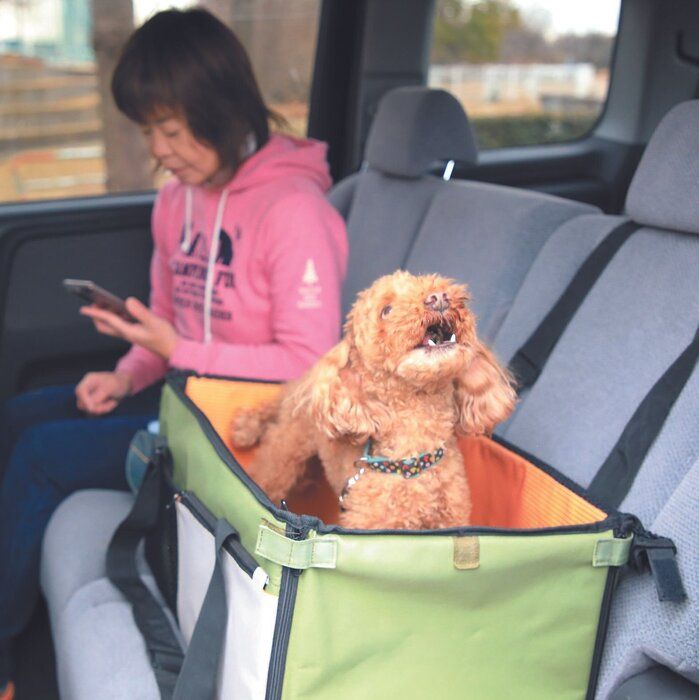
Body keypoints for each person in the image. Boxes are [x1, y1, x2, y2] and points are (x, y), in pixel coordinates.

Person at [0, 8, 347, 698]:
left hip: (247, 430)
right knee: (21, 414)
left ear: (220, 107)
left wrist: (177, 349)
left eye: (171, 128)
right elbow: (170, 329)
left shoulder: (293, 212)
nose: (160, 150)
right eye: (147, 132)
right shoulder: (175, 203)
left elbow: (311, 363)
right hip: (182, 401)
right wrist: (125, 373)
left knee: (41, 455)